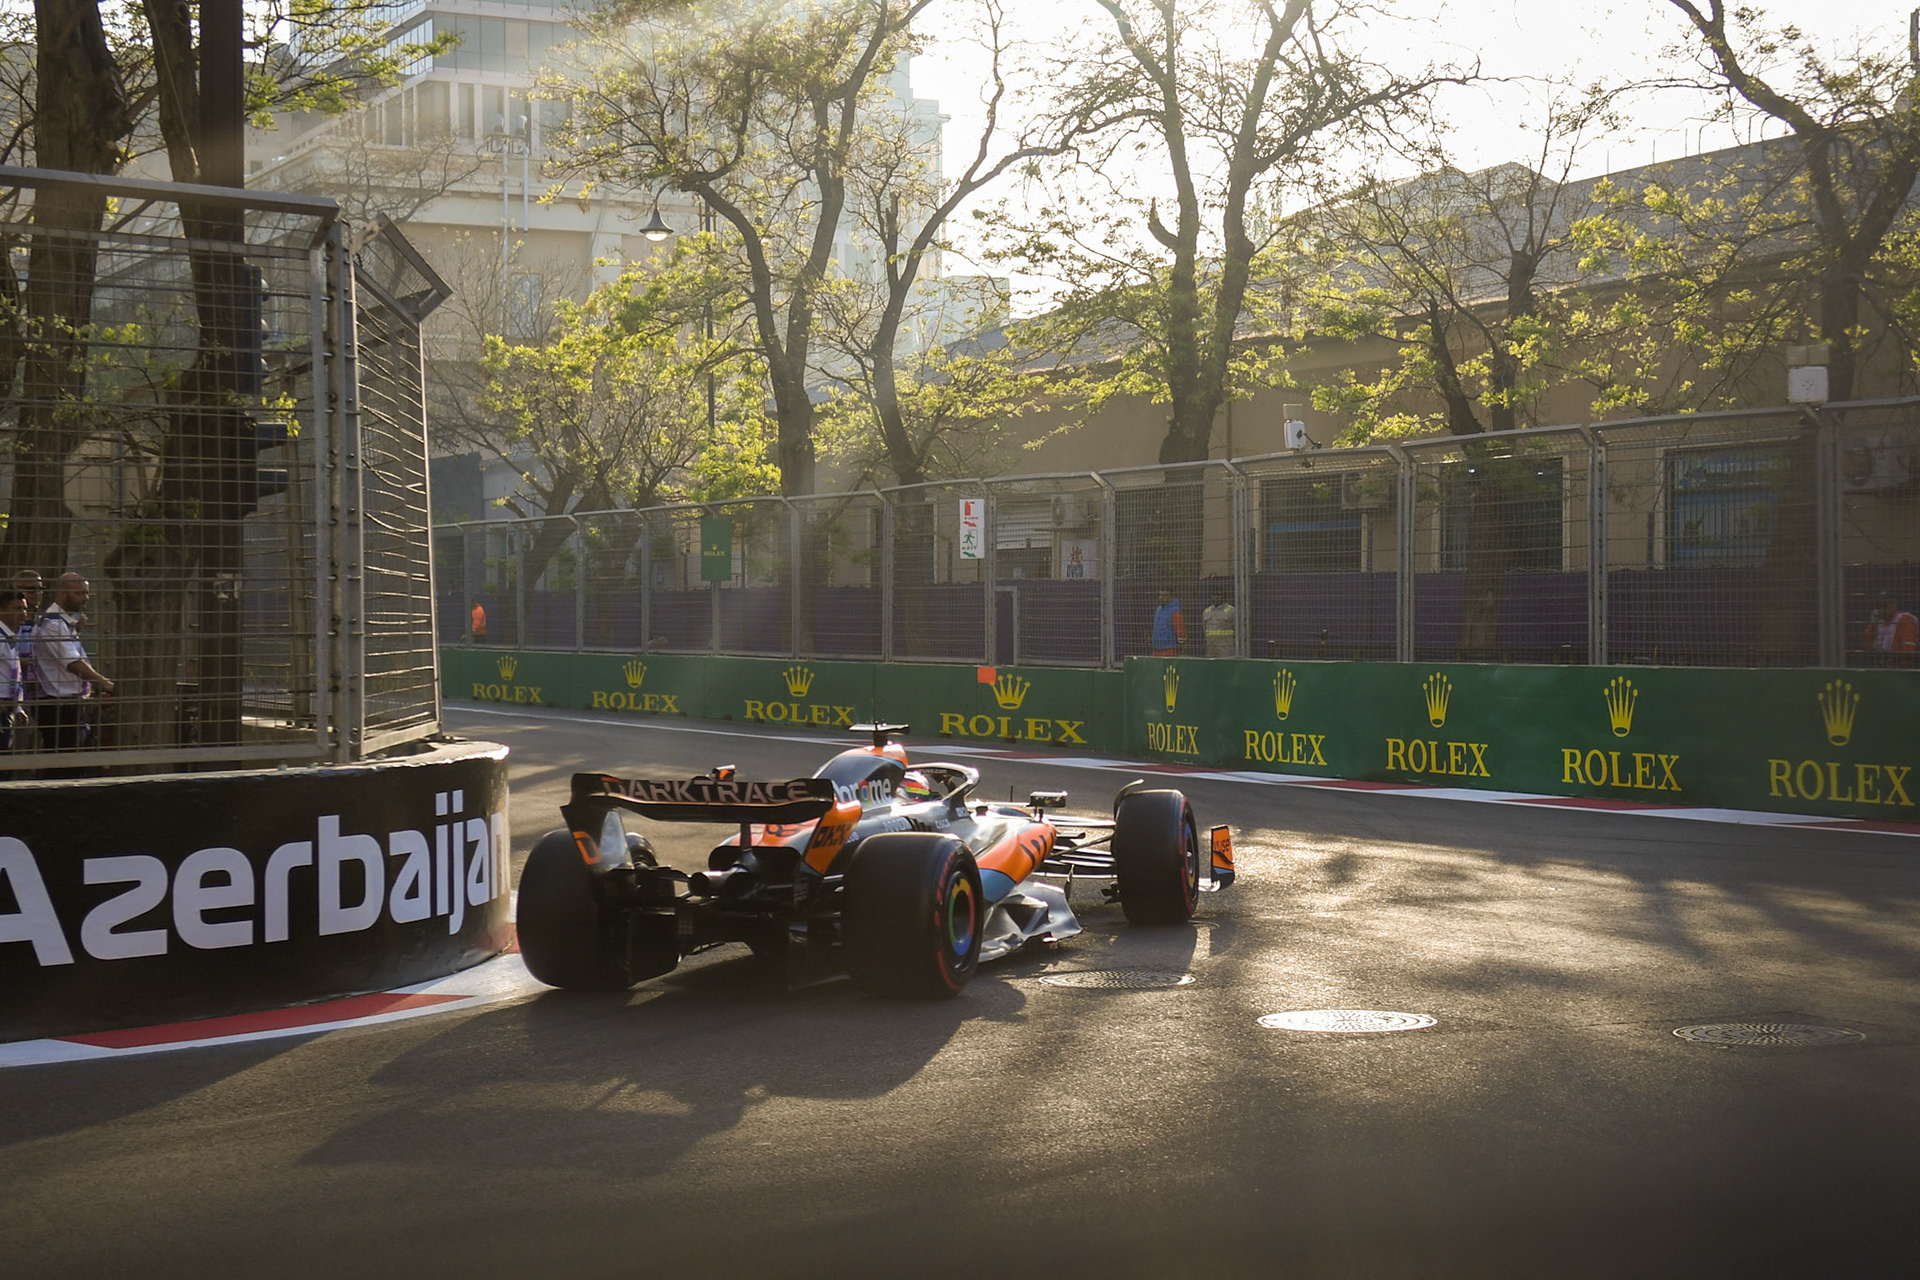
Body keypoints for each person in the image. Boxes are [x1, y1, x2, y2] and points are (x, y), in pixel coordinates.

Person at [33, 573, 113, 771]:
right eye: (79, 593)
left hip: (69, 703)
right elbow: (73, 663)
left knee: (70, 762)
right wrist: (103, 682)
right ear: (62, 594)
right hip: (59, 706)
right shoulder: (53, 625)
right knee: (65, 765)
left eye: (87, 593)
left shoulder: (64, 623)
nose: (85, 598)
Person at [0, 589, 26, 762]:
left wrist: (17, 707)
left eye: (24, 608)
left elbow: (12, 674)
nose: (23, 613)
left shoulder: (10, 637)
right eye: (17, 608)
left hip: (7, 707)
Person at [1862, 591, 1917, 663]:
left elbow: (1908, 650)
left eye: (1884, 606)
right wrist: (1872, 624)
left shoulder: (1904, 619)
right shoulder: (1878, 622)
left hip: (1897, 666)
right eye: (1878, 606)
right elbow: (1867, 647)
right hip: (1880, 664)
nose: (1881, 610)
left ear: (1894, 605)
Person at [1202, 586, 1236, 658]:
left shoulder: (1231, 611)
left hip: (1225, 648)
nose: (1217, 597)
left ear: (1223, 596)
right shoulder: (1206, 612)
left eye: (1219, 594)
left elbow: (1237, 630)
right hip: (1211, 648)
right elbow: (1204, 628)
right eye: (1214, 595)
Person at [1150, 588, 1186, 657]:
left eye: (1164, 595)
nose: (1161, 598)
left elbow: (1181, 632)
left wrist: (1179, 648)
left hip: (1169, 649)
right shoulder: (1159, 610)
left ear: (1171, 597)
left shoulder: (1175, 611)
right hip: (1156, 648)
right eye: (1160, 595)